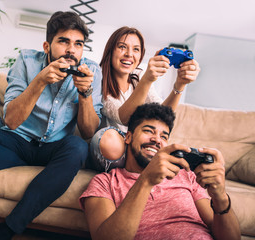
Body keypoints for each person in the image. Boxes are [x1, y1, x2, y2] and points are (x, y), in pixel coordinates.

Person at [0, 11, 102, 240]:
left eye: (78, 44)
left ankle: (10, 228)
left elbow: (88, 132)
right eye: (63, 41)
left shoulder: (92, 72)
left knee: (78, 147)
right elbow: (11, 121)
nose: (71, 50)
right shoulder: (26, 61)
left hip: (54, 147)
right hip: (18, 140)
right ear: (47, 45)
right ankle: (28, 165)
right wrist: (40, 80)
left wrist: (85, 94)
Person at [80, 103, 241, 240]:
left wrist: (220, 197)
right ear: (128, 137)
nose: (157, 139)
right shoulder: (104, 182)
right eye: (148, 131)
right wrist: (146, 180)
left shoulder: (186, 176)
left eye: (164, 136)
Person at [89, 26, 201, 172]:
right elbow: (123, 117)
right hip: (111, 150)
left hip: (137, 149)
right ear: (111, 51)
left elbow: (162, 115)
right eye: (122, 47)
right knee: (111, 140)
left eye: (136, 49)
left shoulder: (139, 77)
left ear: (141, 55)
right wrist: (147, 80)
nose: (129, 54)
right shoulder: (99, 79)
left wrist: (180, 85)